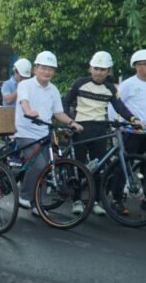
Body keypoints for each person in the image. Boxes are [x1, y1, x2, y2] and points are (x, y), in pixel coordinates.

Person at [62, 50, 139, 215]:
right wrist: (70, 122)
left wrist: (133, 119)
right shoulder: (79, 83)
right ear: (90, 68)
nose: (99, 72)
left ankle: (95, 201)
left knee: (98, 167)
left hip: (100, 131)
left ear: (109, 71)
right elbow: (66, 102)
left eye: (103, 69)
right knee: (79, 166)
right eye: (96, 68)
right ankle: (76, 200)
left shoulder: (110, 88)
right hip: (81, 129)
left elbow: (120, 107)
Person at [14, 51, 83, 212]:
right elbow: (24, 101)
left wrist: (72, 122)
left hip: (44, 134)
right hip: (26, 133)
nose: (47, 72)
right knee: (39, 166)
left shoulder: (53, 90)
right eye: (43, 68)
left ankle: (38, 203)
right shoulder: (25, 85)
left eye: (50, 69)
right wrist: (29, 111)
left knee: (47, 168)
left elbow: (58, 113)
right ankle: (24, 196)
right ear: (35, 69)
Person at [116, 49, 146, 213]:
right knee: (125, 164)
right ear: (137, 66)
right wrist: (119, 124)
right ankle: (118, 199)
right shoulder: (128, 84)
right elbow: (115, 104)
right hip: (132, 131)